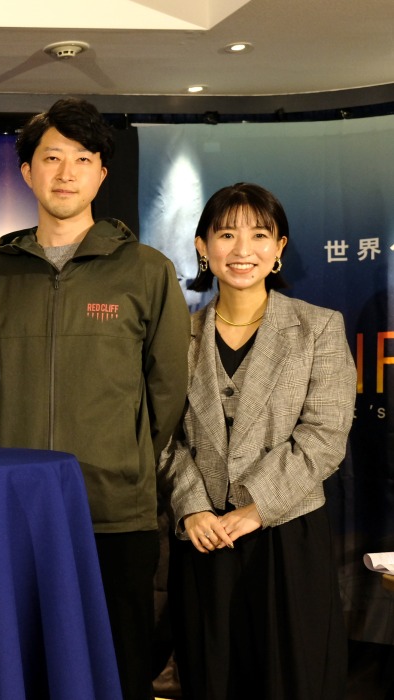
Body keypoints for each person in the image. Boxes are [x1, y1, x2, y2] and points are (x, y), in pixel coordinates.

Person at [0, 97, 190, 700]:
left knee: (117, 668)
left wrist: (128, 458)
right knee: (25, 664)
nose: (66, 173)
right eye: (51, 158)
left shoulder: (147, 270)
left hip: (115, 510)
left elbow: (167, 389)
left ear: (101, 173)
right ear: (27, 171)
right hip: (19, 508)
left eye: (82, 159)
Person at [160, 183, 355, 699]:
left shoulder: (317, 328)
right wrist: (191, 508)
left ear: (279, 248)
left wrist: (255, 508)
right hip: (204, 538)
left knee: (291, 678)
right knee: (211, 677)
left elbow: (325, 434)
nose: (242, 250)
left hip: (286, 535)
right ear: (202, 247)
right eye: (226, 234)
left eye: (259, 235)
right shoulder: (175, 335)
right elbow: (162, 436)